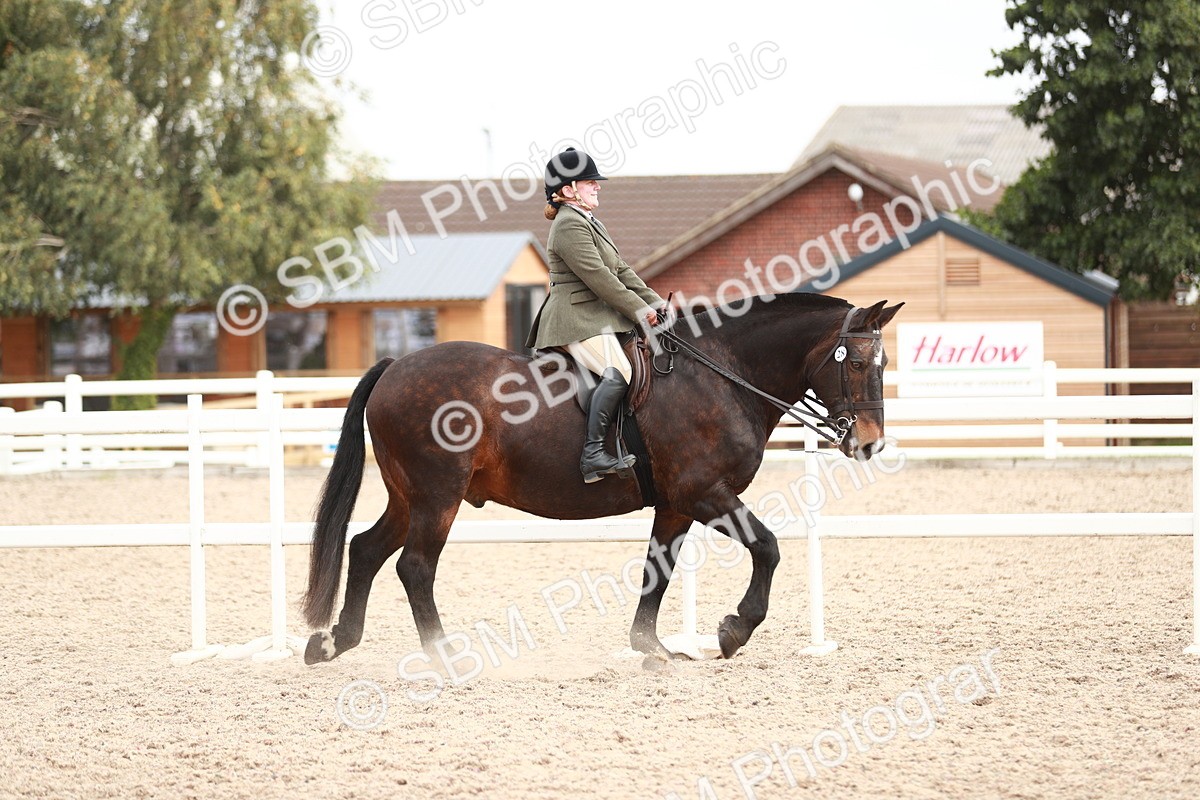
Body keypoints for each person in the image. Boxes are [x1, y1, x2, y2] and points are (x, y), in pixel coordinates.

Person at [525, 147, 667, 484]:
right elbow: (601, 279)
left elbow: (619, 268)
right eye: (590, 181)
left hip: (596, 316)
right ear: (568, 190)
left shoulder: (589, 221)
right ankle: (592, 454)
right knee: (618, 370)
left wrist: (654, 301)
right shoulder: (568, 226)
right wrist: (638, 310)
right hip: (574, 318)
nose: (597, 186)